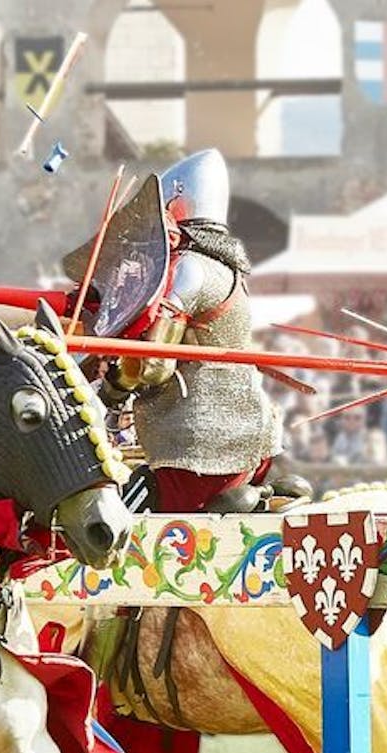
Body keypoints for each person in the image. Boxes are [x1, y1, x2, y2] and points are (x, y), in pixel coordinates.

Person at [94, 150, 290, 513]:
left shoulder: (191, 271)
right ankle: (258, 499)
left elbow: (155, 366)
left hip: (196, 447)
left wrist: (110, 388)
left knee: (116, 515)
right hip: (249, 444)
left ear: (176, 204)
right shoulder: (228, 272)